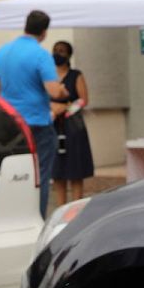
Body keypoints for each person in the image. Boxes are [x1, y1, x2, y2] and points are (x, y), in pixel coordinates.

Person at [0, 10, 60, 217]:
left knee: (15, 174)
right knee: (41, 175)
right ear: (44, 32)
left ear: (26, 26)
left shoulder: (2, 52)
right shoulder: (41, 54)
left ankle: (13, 215)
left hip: (10, 124)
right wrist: (63, 90)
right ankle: (37, 219)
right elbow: (53, 91)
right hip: (37, 122)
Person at [49, 40, 94, 206]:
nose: (57, 53)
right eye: (55, 50)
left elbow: (84, 100)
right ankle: (61, 209)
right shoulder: (49, 76)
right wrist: (53, 108)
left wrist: (66, 109)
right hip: (53, 124)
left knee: (75, 170)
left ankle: (76, 209)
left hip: (72, 127)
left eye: (61, 51)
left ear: (68, 55)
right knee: (57, 171)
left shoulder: (76, 75)